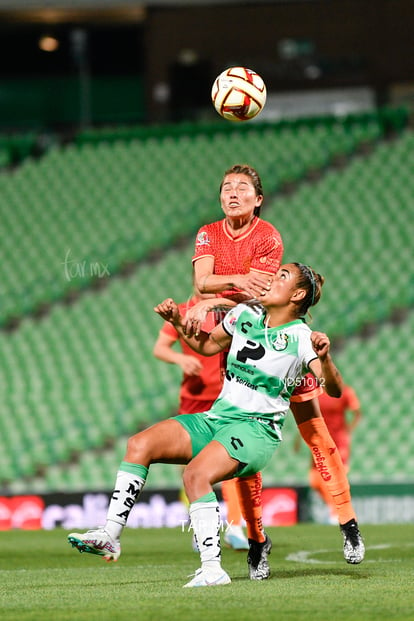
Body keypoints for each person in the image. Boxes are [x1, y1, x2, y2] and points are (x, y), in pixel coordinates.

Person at [68, 262, 357, 588]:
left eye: (282, 277)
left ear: (298, 294)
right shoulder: (245, 314)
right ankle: (110, 535)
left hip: (255, 430)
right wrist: (178, 322)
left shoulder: (302, 337)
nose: (273, 279)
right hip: (217, 418)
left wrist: (326, 358)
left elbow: (333, 389)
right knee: (139, 444)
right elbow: (206, 345)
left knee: (195, 475)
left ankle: (212, 568)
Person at [183, 164, 364, 578]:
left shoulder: (268, 237)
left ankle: (348, 523)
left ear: (258, 199)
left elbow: (263, 298)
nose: (232, 193)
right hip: (244, 336)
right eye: (226, 186)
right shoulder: (208, 232)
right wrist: (222, 292)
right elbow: (202, 280)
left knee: (316, 432)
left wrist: (216, 297)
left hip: (277, 339)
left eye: (242, 188)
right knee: (244, 440)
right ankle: (257, 540)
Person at [153, 293, 249, 550]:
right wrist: (180, 358)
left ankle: (235, 527)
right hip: (194, 396)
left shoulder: (230, 309)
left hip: (225, 393)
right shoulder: (183, 310)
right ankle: (200, 527)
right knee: (191, 466)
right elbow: (159, 348)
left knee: (231, 460)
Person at [299, 385, 362, 523]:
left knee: (336, 476)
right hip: (319, 440)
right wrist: (299, 438)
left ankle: (338, 514)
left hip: (338, 442)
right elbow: (305, 415)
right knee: (315, 480)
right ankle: (335, 509)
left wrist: (348, 431)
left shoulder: (343, 391)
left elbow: (357, 412)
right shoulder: (314, 391)